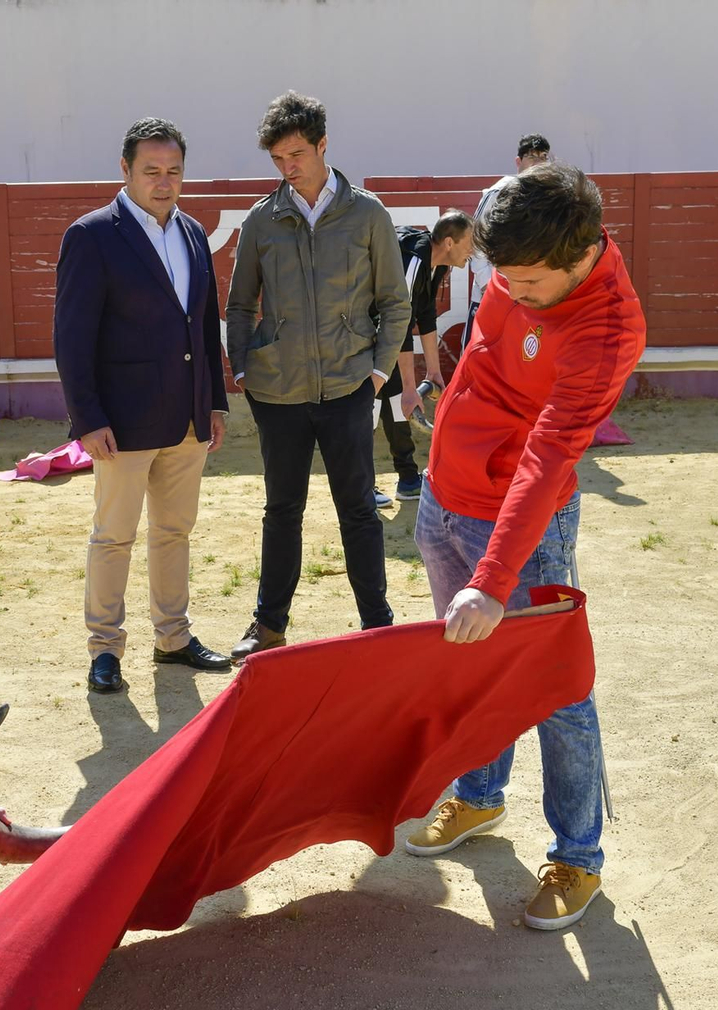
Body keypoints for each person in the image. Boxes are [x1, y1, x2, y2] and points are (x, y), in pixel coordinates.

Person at [405, 162, 647, 931]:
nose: (509, 289)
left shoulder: (608, 329)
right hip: (445, 496)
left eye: (528, 280)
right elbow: (477, 363)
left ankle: (578, 856)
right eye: (499, 273)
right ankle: (479, 796)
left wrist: (495, 576)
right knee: (470, 665)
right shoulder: (524, 265)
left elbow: (548, 458)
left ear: (580, 253)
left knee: (558, 692)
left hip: (518, 524)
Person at [225, 91, 410, 662]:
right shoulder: (262, 219)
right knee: (282, 509)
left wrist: (377, 372)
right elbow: (238, 305)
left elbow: (394, 303)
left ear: (323, 145)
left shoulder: (369, 214)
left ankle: (377, 622)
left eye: (298, 154)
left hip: (349, 386)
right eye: (279, 159)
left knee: (357, 507)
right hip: (277, 392)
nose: (289, 167)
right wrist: (245, 369)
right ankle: (269, 624)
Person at [53, 117, 232, 694]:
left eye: (174, 171)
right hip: (121, 421)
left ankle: (173, 638)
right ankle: (105, 648)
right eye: (151, 170)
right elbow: (72, 336)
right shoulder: (92, 234)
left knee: (174, 531)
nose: (164, 181)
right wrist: (87, 418)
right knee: (114, 535)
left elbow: (204, 327)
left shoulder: (192, 233)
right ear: (125, 169)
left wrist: (215, 402)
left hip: (187, 416)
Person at [373, 210, 476, 506]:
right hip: (361, 336)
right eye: (468, 243)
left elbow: (425, 315)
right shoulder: (414, 262)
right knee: (367, 409)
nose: (472, 250)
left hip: (384, 337)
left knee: (396, 403)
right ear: (448, 243)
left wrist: (434, 373)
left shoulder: (437, 266)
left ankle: (407, 479)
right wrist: (409, 387)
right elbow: (399, 324)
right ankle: (360, 487)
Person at [465, 133, 551, 344]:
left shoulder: (550, 197)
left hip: (528, 300)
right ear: (518, 161)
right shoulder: (500, 191)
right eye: (532, 155)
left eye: (543, 156)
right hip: (493, 295)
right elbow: (476, 237)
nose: (539, 161)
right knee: (478, 362)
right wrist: (487, 285)